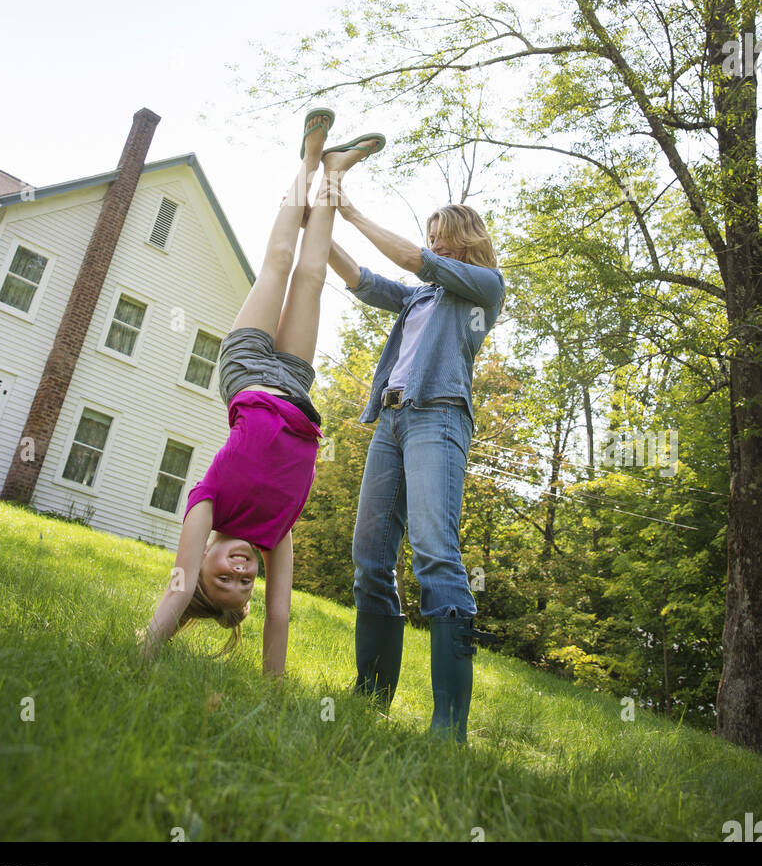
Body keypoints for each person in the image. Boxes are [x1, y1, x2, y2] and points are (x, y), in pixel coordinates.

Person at [136, 108, 385, 677]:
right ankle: (335, 174)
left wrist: (144, 653)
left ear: (202, 560)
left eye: (223, 575)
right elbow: (278, 619)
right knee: (312, 273)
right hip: (296, 389)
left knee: (276, 262)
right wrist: (272, 694)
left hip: (247, 374)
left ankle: (307, 160)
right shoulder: (278, 537)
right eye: (243, 584)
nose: (242, 571)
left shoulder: (207, 506)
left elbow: (176, 589)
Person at [326, 191, 505, 741]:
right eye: (429, 237)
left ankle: (449, 726)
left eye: (440, 236)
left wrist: (352, 211)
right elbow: (363, 279)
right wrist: (318, 228)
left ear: (465, 239)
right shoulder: (419, 298)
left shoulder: (483, 287)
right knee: (371, 556)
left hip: (439, 417)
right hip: (391, 420)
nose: (431, 245)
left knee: (433, 551)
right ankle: (370, 697)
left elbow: (412, 260)